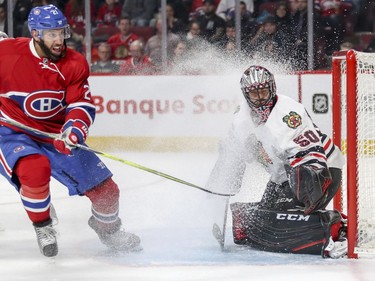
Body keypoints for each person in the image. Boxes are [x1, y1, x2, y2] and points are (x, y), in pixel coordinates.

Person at [0, 4, 140, 257]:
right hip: (12, 131)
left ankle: (107, 229)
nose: (59, 40)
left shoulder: (74, 63)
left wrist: (73, 130)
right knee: (34, 169)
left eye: (61, 32)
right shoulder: (6, 55)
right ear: (35, 34)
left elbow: (81, 104)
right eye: (51, 34)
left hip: (55, 134)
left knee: (107, 192)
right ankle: (43, 225)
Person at [206, 65, 347, 258]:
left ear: (272, 88)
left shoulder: (289, 114)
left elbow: (311, 158)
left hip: (323, 170)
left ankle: (337, 228)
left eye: (264, 92)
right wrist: (220, 184)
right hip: (284, 176)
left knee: (280, 222)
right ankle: (317, 221)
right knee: (260, 218)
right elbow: (231, 153)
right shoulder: (240, 120)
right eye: (254, 95)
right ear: (246, 95)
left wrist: (307, 199)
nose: (261, 99)